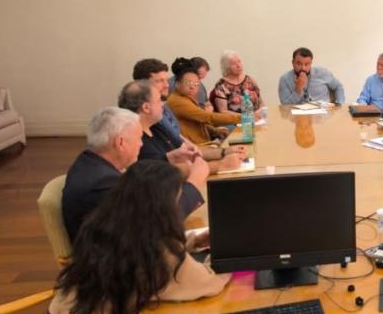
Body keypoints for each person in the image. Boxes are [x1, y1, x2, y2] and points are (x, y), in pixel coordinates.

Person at [37, 161, 230, 314]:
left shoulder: (103, 224)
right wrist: (232, 260)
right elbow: (208, 283)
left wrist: (193, 241)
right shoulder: (157, 251)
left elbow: (143, 254)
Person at [61, 107, 207, 243]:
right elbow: (158, 223)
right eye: (139, 138)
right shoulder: (102, 183)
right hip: (119, 265)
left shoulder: (91, 164)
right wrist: (194, 183)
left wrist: (169, 158)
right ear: (120, 143)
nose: (141, 144)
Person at [117, 80, 247, 174]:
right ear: (146, 107)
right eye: (158, 101)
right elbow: (170, 172)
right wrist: (222, 165)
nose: (162, 105)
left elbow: (188, 153)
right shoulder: (135, 140)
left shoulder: (157, 127)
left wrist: (224, 152)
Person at [168, 63, 242, 145]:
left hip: (204, 141)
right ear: (177, 84)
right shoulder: (177, 101)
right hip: (198, 147)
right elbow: (207, 117)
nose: (192, 87)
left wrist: (215, 131)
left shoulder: (186, 98)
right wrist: (242, 118)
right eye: (188, 83)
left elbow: (197, 122)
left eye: (196, 84)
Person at [133, 58, 182, 138]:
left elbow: (177, 136)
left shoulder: (163, 106)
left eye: (166, 80)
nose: (167, 85)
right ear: (143, 84)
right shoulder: (145, 113)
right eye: (159, 81)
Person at [278, 47, 345, 104]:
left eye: (307, 64)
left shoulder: (323, 73)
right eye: (299, 64)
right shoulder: (284, 79)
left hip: (323, 115)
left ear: (311, 63)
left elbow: (338, 86)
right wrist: (298, 88)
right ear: (293, 63)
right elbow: (285, 105)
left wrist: (339, 104)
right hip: (298, 117)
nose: (303, 68)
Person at [212, 50, 264, 114]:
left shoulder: (250, 80)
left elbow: (261, 102)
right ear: (227, 67)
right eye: (234, 64)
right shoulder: (221, 86)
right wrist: (246, 118)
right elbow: (223, 111)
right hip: (235, 122)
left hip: (257, 120)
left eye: (239, 61)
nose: (238, 65)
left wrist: (260, 114)